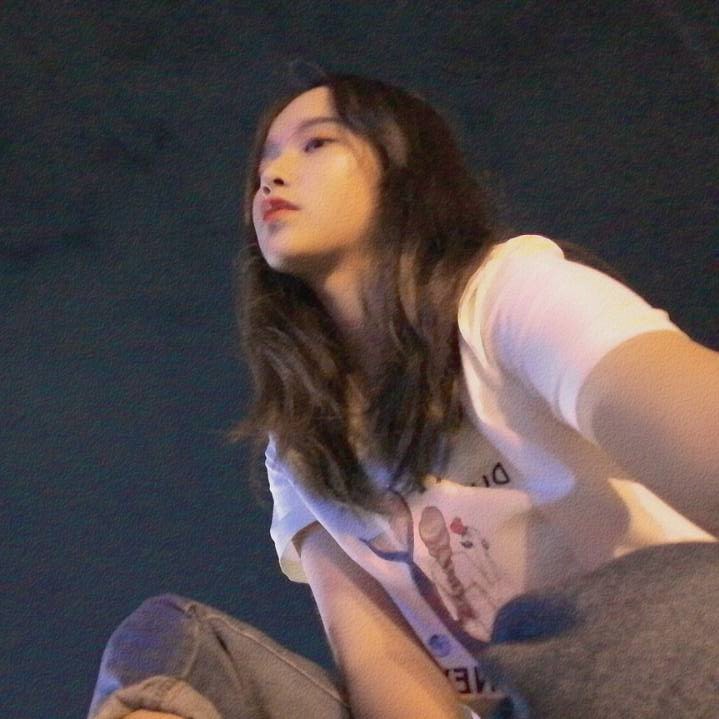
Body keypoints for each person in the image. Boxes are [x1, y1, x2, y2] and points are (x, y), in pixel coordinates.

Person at [86, 70, 719, 719]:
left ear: (402, 169)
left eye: (316, 143)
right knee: (179, 642)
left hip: (660, 665)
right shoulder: (299, 443)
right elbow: (379, 656)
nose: (271, 176)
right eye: (264, 163)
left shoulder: (506, 296)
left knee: (630, 607)